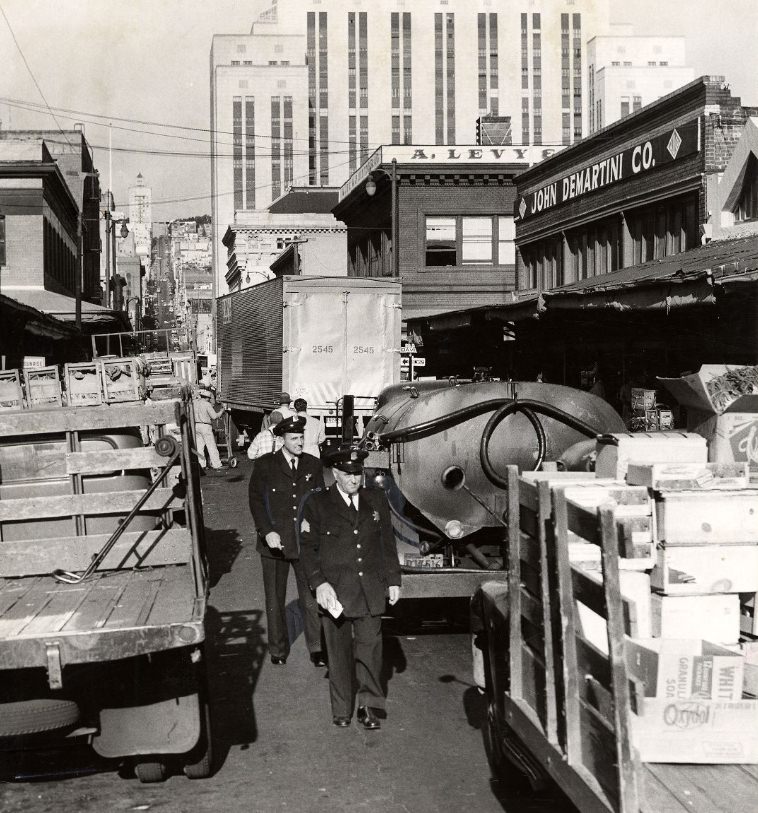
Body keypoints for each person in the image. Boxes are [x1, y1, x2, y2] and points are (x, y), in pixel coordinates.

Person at [299, 447, 402, 730]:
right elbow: (308, 549)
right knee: (339, 654)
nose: (355, 480)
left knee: (370, 651)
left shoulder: (376, 499)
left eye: (358, 473)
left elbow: (386, 543)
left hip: (369, 589)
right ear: (335, 474)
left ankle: (368, 706)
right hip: (336, 592)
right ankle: (342, 708)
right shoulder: (317, 504)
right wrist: (319, 584)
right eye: (348, 474)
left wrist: (393, 579)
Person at [248, 415, 326, 667]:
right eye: (294, 438)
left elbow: (319, 500)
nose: (300, 442)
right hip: (275, 544)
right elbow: (256, 502)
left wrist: (314, 525)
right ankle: (278, 649)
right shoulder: (265, 465)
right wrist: (266, 531)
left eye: (302, 437)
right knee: (274, 599)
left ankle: (317, 648)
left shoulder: (313, 465)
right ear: (281, 440)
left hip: (304, 543)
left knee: (311, 596)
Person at [194, 387, 227, 471]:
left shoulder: (194, 403)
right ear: (207, 398)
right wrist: (221, 411)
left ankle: (201, 465)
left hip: (196, 426)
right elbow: (214, 416)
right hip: (205, 426)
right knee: (211, 446)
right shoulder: (207, 404)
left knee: (199, 447)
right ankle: (217, 465)